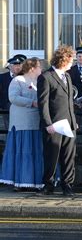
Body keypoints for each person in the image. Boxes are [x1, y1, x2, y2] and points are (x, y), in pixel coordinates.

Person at [37, 45, 77, 196]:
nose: (72, 62)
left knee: (68, 157)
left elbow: (69, 101)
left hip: (69, 124)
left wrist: (74, 121)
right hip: (54, 125)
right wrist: (48, 124)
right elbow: (43, 103)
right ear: (64, 59)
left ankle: (68, 186)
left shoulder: (67, 76)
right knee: (51, 157)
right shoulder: (46, 77)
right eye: (71, 59)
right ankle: (48, 185)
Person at [0, 58, 43, 190]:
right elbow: (13, 97)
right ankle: (19, 181)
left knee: (35, 151)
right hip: (21, 123)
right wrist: (32, 102)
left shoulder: (39, 81)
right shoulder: (17, 80)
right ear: (32, 69)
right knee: (22, 151)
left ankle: (36, 181)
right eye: (39, 67)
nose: (41, 70)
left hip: (36, 122)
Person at [0, 54, 27, 139]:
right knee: (9, 131)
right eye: (16, 64)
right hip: (7, 109)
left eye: (20, 65)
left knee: (22, 133)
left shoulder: (26, 78)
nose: (18, 67)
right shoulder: (2, 77)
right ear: (10, 66)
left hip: (24, 109)